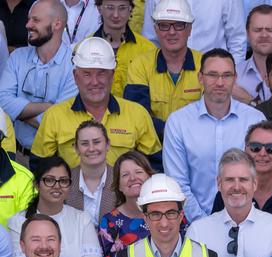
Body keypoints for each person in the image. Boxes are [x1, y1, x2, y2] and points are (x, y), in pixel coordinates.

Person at [162, 50, 267, 222]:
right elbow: (178, 184)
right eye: (212, 75)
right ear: (200, 77)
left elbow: (260, 177)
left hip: (248, 220)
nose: (220, 82)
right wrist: (203, 224)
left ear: (235, 78)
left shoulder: (255, 119)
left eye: (226, 75)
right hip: (194, 223)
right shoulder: (178, 122)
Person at [28, 35, 161, 169]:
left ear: (112, 75)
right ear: (75, 76)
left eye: (101, 73)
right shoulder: (54, 116)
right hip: (72, 189)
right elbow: (40, 170)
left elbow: (154, 168)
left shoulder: (137, 114)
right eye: (87, 74)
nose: (95, 82)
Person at [4, 157, 102, 257]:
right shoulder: (18, 221)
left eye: (63, 181)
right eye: (49, 180)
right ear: (36, 185)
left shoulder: (82, 219)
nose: (57, 186)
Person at [0, 0, 77, 152]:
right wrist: (48, 107)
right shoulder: (17, 57)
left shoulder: (75, 64)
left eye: (36, 20)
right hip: (18, 155)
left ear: (57, 24)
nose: (28, 25)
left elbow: (61, 120)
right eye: (29, 19)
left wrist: (19, 114)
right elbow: (2, 103)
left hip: (56, 160)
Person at [122, 0, 204, 136]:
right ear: (155, 30)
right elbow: (137, 115)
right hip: (151, 150)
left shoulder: (205, 64)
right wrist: (173, 132)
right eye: (164, 26)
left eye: (179, 25)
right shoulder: (140, 65)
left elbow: (211, 112)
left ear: (190, 29)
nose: (171, 32)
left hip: (194, 145)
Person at [97, 150, 155, 257]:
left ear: (150, 177)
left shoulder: (170, 213)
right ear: (119, 186)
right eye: (125, 175)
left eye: (139, 172)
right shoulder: (109, 222)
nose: (133, 178)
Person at [94, 0, 154, 99]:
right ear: (99, 8)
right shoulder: (84, 47)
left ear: (130, 9)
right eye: (110, 7)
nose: (116, 15)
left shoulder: (148, 50)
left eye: (122, 8)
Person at [138, 0, 241, 57]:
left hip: (215, 74)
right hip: (167, 73)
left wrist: (232, 75)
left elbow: (237, 39)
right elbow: (150, 40)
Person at [66, 120, 114, 222]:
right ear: (76, 148)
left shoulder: (121, 179)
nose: (91, 149)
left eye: (97, 142)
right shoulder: (64, 181)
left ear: (107, 144)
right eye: (84, 144)